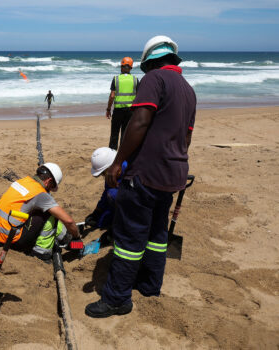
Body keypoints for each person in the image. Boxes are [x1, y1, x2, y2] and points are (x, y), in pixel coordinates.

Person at [85, 35, 196, 318]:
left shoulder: (154, 80)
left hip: (145, 173)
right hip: (173, 173)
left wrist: (118, 162)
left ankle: (117, 298)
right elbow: (186, 137)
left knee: (129, 238)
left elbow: (140, 121)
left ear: (151, 62)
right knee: (157, 233)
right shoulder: (188, 90)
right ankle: (149, 284)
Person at [0, 163, 81, 262]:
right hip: (11, 240)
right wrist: (76, 238)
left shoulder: (23, 181)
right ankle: (42, 254)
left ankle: (67, 239)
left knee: (40, 210)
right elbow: (68, 221)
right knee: (50, 214)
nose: (50, 191)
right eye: (51, 187)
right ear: (49, 181)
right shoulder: (40, 194)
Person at [84, 147, 127, 245]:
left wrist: (115, 230)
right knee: (101, 221)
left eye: (104, 172)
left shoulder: (130, 171)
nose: (104, 176)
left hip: (134, 208)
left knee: (114, 194)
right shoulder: (112, 174)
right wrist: (97, 212)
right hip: (119, 203)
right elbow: (106, 192)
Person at [106, 57, 139, 150]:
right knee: (125, 134)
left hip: (118, 111)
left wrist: (108, 109)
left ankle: (112, 154)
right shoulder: (135, 79)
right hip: (130, 111)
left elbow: (112, 96)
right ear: (131, 68)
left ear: (121, 67)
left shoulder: (116, 79)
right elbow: (139, 96)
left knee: (114, 134)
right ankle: (122, 155)